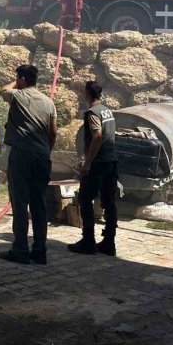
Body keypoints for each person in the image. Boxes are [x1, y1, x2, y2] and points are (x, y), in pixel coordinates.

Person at [0, 65, 58, 265]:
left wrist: (16, 82)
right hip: (42, 156)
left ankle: (20, 250)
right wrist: (46, 152)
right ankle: (40, 251)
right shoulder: (48, 102)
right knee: (39, 204)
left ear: (22, 79)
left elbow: (3, 90)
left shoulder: (18, 96)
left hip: (22, 155)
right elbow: (53, 132)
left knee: (20, 202)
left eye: (18, 77)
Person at [68, 81, 118, 256]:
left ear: (87, 94)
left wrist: (88, 163)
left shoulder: (92, 113)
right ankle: (109, 242)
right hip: (111, 161)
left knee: (85, 198)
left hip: (98, 163)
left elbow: (97, 136)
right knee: (109, 202)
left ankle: (88, 241)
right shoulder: (107, 111)